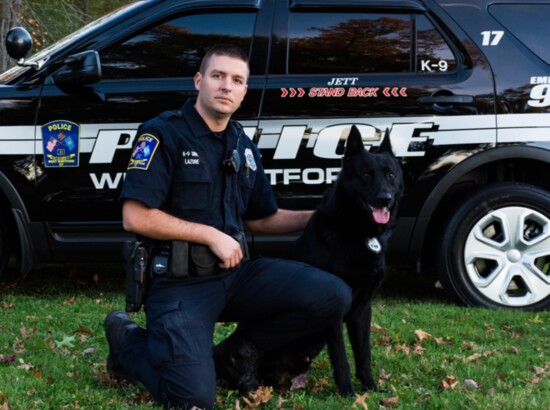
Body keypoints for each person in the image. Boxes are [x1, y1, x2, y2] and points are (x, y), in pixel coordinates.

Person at [104, 44, 352, 410]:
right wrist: (209, 234)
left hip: (235, 277)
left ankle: (234, 355)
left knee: (334, 295)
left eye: (237, 80)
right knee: (193, 399)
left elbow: (261, 218)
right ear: (199, 81)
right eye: (218, 76)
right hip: (179, 285)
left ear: (244, 91)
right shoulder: (163, 133)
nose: (227, 86)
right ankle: (128, 342)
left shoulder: (243, 146)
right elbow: (135, 216)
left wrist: (320, 216)